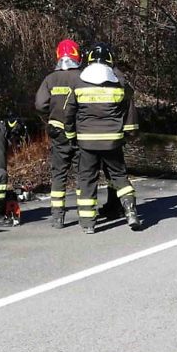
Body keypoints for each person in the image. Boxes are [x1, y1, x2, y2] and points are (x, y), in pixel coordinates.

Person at [72, 43, 141, 234]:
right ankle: (131, 211)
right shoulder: (119, 84)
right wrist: (130, 134)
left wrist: (70, 135)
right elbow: (129, 114)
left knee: (87, 179)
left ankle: (88, 223)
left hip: (86, 141)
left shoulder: (79, 83)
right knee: (119, 176)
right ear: (110, 61)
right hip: (112, 141)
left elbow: (69, 111)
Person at [35, 39, 82, 229]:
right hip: (80, 132)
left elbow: (40, 105)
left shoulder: (50, 79)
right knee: (82, 173)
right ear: (77, 55)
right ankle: (85, 214)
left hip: (57, 133)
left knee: (59, 174)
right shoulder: (83, 77)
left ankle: (57, 216)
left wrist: (51, 116)